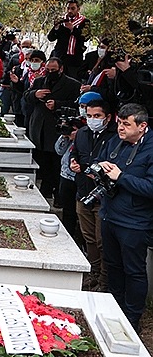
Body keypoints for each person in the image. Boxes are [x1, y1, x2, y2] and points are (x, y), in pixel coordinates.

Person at [95, 103, 153, 332]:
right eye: (119, 122)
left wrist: (121, 177)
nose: (120, 127)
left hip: (135, 222)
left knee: (134, 271)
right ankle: (114, 308)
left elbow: (150, 188)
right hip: (110, 215)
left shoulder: (150, 148)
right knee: (113, 266)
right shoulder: (115, 141)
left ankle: (131, 318)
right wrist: (98, 167)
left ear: (142, 126)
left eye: (126, 124)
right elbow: (98, 161)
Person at [70, 97, 116, 292]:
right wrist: (74, 162)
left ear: (107, 117)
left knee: (102, 240)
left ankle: (105, 281)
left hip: (103, 196)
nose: (92, 119)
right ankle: (94, 274)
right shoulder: (82, 133)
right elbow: (76, 153)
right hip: (83, 192)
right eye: (89, 116)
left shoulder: (115, 137)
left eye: (97, 116)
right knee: (88, 238)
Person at [25, 57, 81, 199]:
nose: (50, 72)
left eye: (53, 70)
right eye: (48, 70)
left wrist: (58, 104)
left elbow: (76, 105)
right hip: (39, 127)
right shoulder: (39, 81)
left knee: (56, 163)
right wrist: (35, 94)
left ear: (61, 69)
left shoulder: (72, 84)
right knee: (42, 160)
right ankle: (45, 189)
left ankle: (57, 194)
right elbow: (26, 96)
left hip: (57, 128)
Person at [47, 0, 89, 78]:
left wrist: (73, 29)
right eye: (68, 8)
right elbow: (51, 38)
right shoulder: (61, 20)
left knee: (73, 80)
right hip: (60, 56)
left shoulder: (84, 22)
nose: (70, 11)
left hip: (75, 57)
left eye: (73, 8)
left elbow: (85, 37)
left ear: (78, 9)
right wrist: (56, 27)